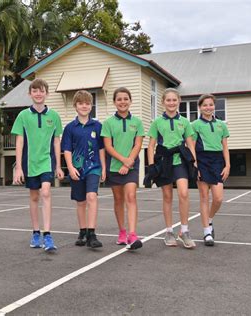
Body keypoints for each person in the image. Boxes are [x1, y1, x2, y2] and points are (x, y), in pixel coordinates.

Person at [11, 78, 64, 252]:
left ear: (46, 94)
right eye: (35, 91)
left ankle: (47, 234)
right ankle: (36, 233)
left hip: (47, 162)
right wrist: (18, 167)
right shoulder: (23, 116)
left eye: (41, 91)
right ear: (30, 94)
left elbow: (57, 142)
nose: (38, 94)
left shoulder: (54, 116)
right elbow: (19, 141)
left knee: (46, 192)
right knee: (34, 198)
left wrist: (58, 166)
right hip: (29, 163)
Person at [147, 88, 197, 249]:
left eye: (174, 100)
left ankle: (185, 231)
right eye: (168, 100)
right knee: (167, 196)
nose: (171, 103)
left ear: (179, 101)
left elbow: (190, 143)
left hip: (180, 160)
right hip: (163, 161)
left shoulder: (185, 121)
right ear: (163, 102)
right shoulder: (157, 122)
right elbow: (151, 145)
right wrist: (151, 166)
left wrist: (194, 162)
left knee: (183, 193)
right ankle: (169, 232)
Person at [61, 90, 106, 249]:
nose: (84, 106)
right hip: (77, 169)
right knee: (81, 202)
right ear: (75, 106)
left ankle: (92, 234)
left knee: (92, 197)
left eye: (87, 103)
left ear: (91, 105)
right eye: (81, 103)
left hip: (94, 167)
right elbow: (66, 150)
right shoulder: (70, 128)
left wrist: (103, 168)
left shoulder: (98, 126)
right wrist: (70, 168)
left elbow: (101, 148)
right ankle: (83, 231)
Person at [101, 87, 144, 250]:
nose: (123, 102)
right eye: (119, 99)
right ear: (114, 102)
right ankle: (122, 232)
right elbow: (108, 146)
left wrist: (129, 162)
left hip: (131, 166)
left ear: (130, 101)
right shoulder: (108, 123)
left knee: (131, 197)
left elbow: (138, 144)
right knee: (118, 200)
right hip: (114, 166)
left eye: (126, 99)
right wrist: (123, 161)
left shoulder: (137, 122)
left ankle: (133, 234)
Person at [192, 94, 230, 246]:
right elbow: (192, 147)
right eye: (205, 105)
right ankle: (207, 232)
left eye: (210, 104)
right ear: (200, 107)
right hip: (201, 160)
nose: (208, 107)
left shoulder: (222, 125)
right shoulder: (195, 125)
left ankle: (209, 219)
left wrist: (227, 165)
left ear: (214, 106)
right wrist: (195, 165)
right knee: (203, 197)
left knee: (218, 198)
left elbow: (225, 147)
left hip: (217, 161)